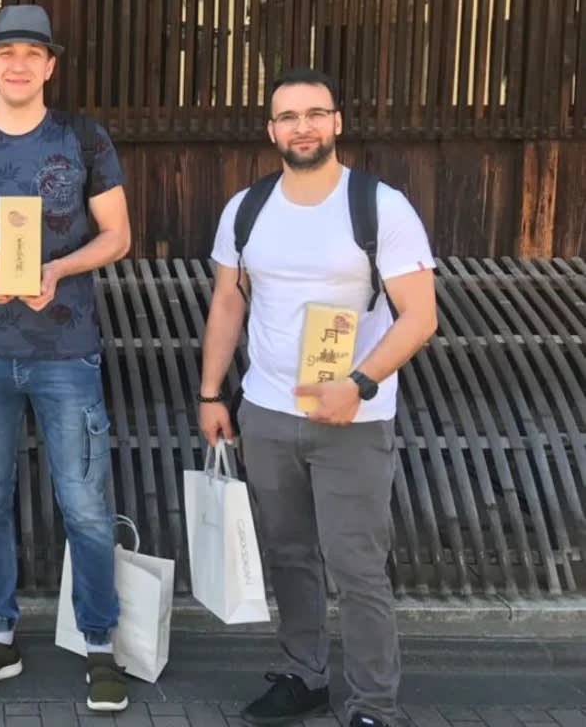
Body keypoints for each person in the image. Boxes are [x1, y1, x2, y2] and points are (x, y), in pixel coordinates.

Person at [198, 67, 438, 727]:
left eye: (314, 114)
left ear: (336, 122)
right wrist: (211, 393)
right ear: (271, 130)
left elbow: (420, 315)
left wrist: (357, 385)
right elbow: (228, 302)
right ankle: (304, 674)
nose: (301, 127)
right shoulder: (247, 209)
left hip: (353, 418)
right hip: (268, 410)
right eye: (288, 116)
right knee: (289, 555)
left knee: (357, 567)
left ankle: (374, 704)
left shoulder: (380, 206)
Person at [0, 4, 133, 713]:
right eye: (5, 53)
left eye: (31, 54)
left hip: (67, 349)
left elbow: (118, 235)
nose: (17, 65)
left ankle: (99, 643)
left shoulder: (82, 138)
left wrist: (57, 270)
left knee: (85, 503)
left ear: (49, 66)